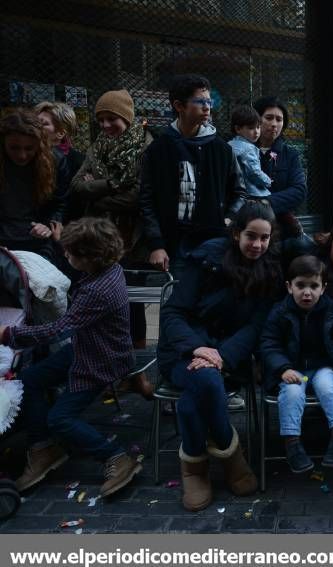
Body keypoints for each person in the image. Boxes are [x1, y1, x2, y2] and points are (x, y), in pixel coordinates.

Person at [1, 217, 140, 496]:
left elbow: (58, 329)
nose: (66, 255)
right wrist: (59, 241)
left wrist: (8, 335)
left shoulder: (97, 291)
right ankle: (43, 448)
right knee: (28, 380)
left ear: (89, 257)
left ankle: (115, 456)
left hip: (100, 360)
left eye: (70, 252)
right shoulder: (106, 269)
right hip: (85, 347)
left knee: (59, 419)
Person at [157, 202, 280, 511]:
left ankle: (194, 466)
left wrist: (222, 355)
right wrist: (198, 348)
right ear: (237, 233)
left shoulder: (269, 271)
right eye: (251, 236)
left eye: (264, 238)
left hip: (232, 355)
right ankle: (228, 452)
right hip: (184, 350)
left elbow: (256, 326)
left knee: (192, 397)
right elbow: (174, 311)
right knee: (207, 382)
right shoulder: (206, 259)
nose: (257, 245)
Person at [70, 89, 155, 398]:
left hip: (133, 240)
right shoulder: (98, 147)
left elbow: (139, 196)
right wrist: (112, 184)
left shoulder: (146, 148)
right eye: (101, 120)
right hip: (102, 239)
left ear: (127, 118)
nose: (105, 125)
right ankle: (118, 370)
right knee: (109, 310)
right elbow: (77, 187)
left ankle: (138, 374)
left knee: (133, 305)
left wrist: (100, 192)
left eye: (112, 119)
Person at [260, 255, 333, 473]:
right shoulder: (280, 312)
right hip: (293, 368)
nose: (307, 292)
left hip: (322, 367)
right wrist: (283, 368)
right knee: (293, 392)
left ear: (323, 288)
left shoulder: (332, 309)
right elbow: (269, 343)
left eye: (314, 286)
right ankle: (292, 443)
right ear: (289, 287)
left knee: (327, 386)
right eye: (300, 286)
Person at [139, 74, 245, 278]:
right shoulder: (158, 149)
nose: (207, 107)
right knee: (178, 298)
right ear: (179, 106)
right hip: (175, 242)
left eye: (209, 101)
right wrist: (156, 244)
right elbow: (146, 200)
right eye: (200, 101)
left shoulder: (221, 148)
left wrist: (229, 219)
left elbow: (239, 191)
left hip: (214, 239)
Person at [0, 109, 69, 261]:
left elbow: (59, 203)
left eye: (29, 148)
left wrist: (49, 224)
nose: (22, 155)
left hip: (38, 238)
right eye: (14, 148)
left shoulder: (55, 161)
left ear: (39, 144)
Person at [35, 101, 85, 187]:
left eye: (43, 124)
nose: (36, 127)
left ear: (60, 133)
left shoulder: (79, 162)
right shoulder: (29, 153)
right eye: (35, 123)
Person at [228, 105, 272, 200]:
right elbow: (254, 173)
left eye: (258, 127)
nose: (256, 132)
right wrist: (268, 181)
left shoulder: (229, 145)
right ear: (238, 129)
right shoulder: (249, 149)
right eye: (251, 128)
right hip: (253, 195)